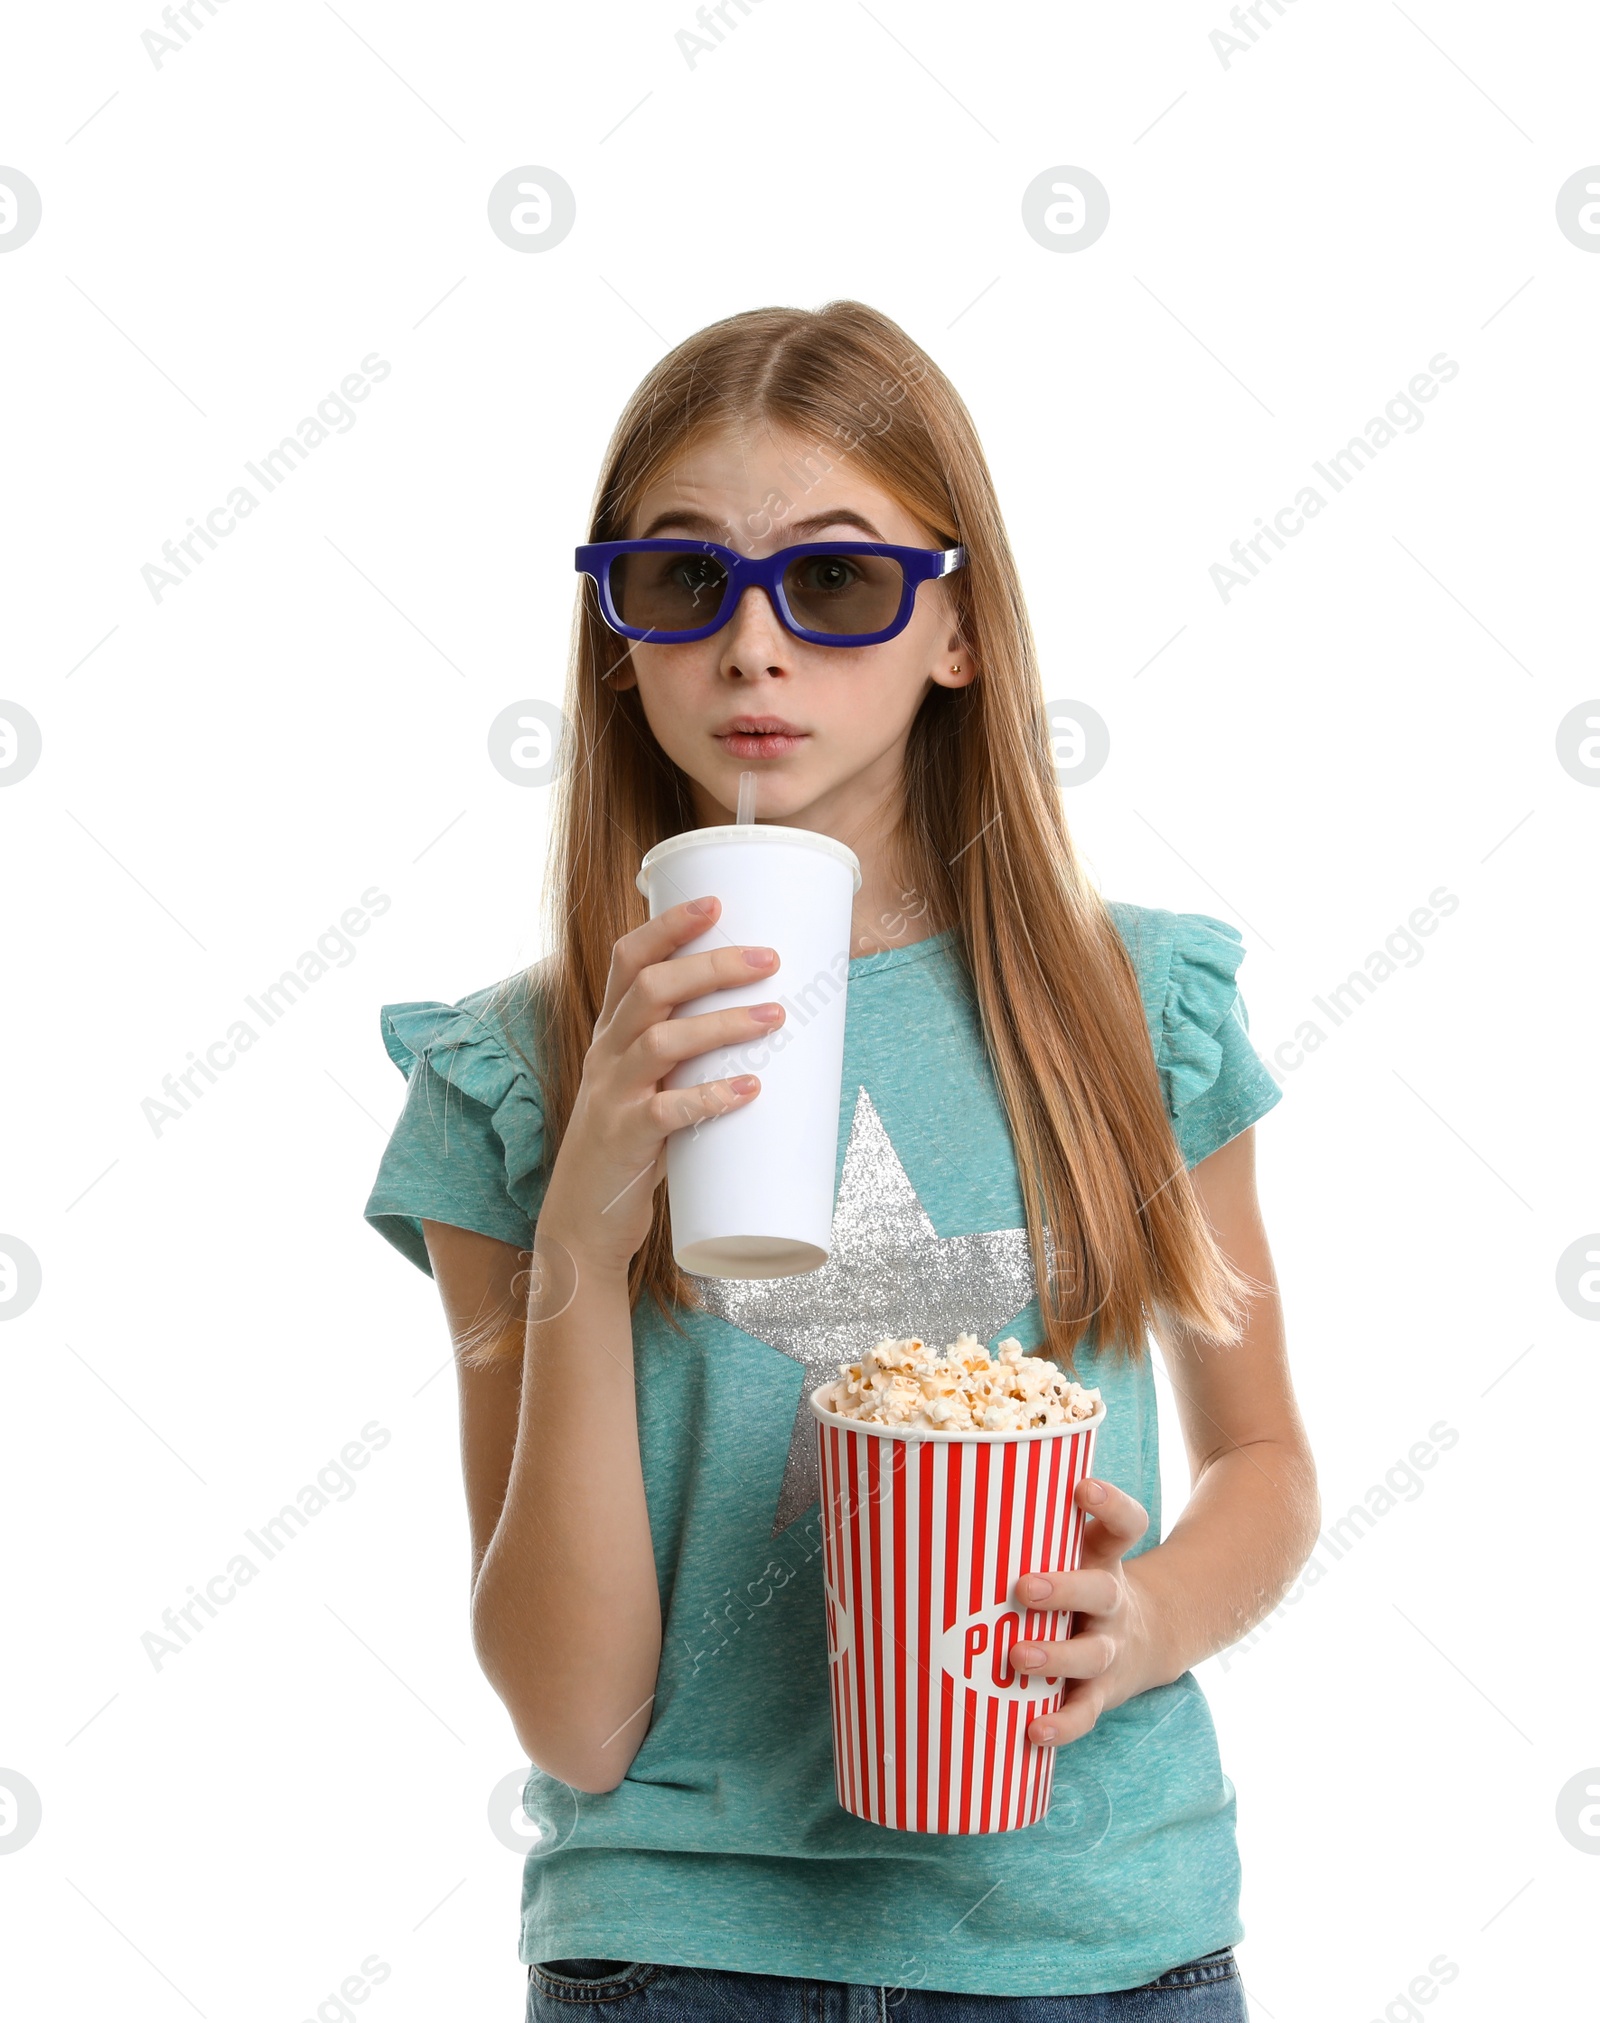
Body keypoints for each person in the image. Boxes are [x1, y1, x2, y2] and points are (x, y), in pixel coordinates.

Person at [363, 299, 1319, 2019]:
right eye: (679, 580)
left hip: (1091, 1941)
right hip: (680, 1952)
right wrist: (585, 1226)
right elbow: (575, 1716)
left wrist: (1150, 1617)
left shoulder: (1125, 1011)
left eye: (838, 581)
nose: (753, 648)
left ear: (956, 628)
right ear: (616, 637)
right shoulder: (509, 1078)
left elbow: (1263, 1465)